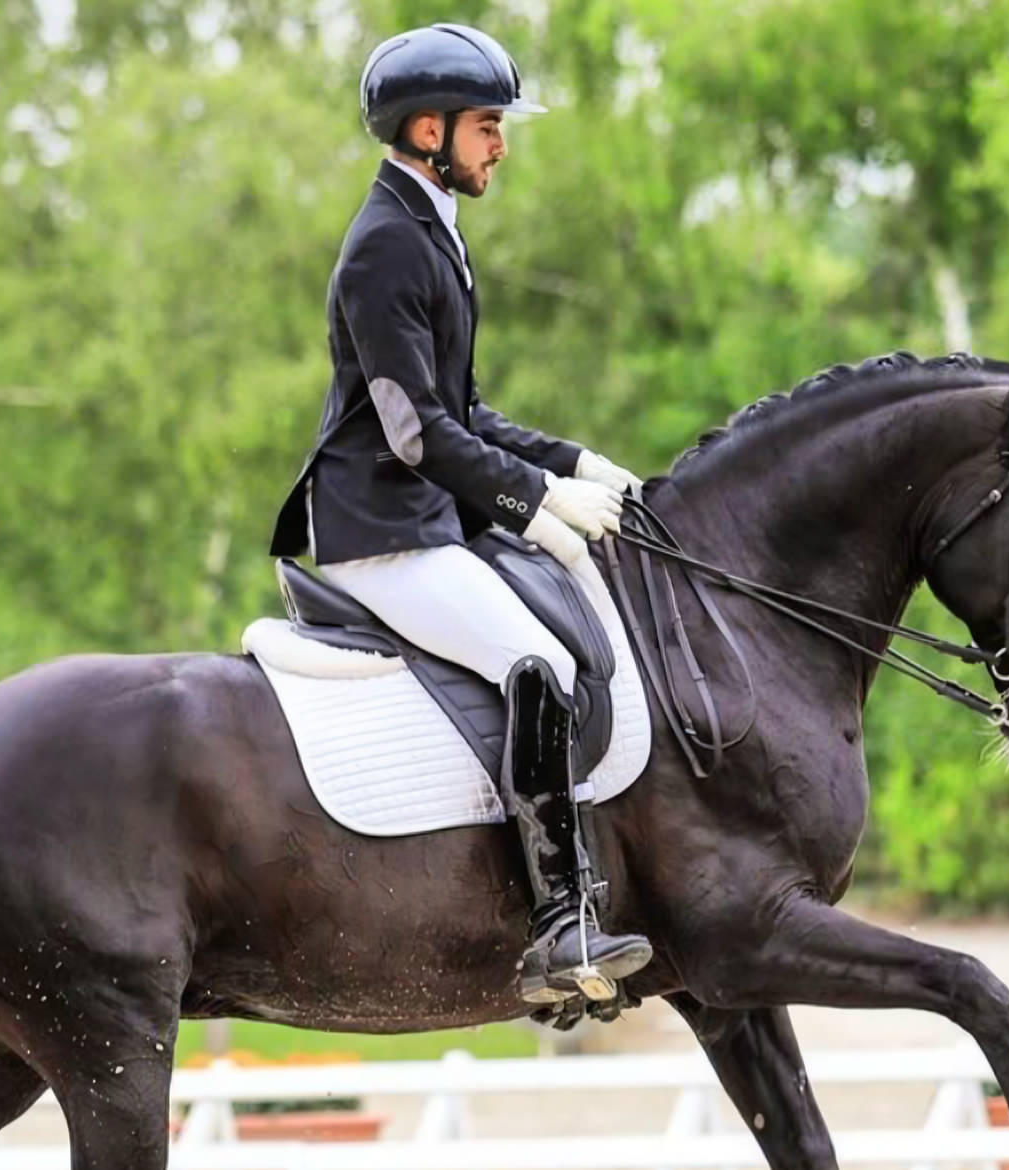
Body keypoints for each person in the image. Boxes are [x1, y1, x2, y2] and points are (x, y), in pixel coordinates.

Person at [268, 22, 651, 1004]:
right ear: (427, 128)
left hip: (427, 517)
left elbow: (465, 413)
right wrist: (536, 504)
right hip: (381, 531)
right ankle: (561, 927)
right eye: (488, 126)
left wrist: (574, 461)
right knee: (543, 665)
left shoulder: (429, 225)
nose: (502, 146)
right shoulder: (386, 248)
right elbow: (414, 434)